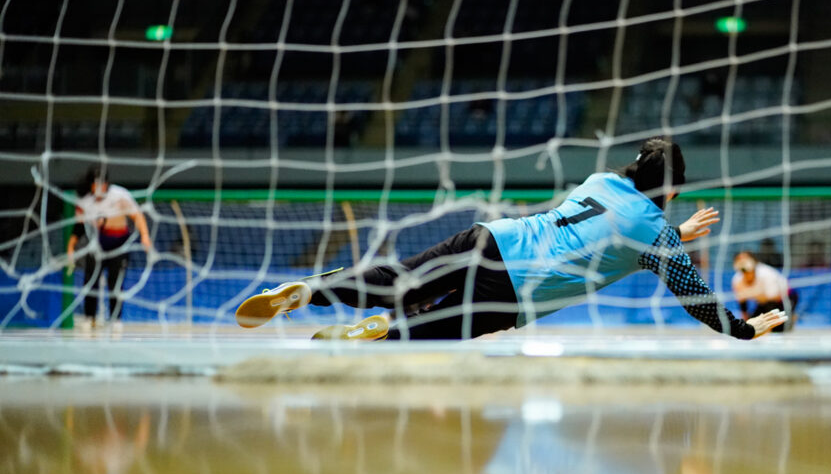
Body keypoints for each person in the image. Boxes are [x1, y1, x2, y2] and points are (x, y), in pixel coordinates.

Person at [235, 137, 787, 340]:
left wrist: (670, 232)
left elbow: (618, 236)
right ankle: (378, 335)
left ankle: (311, 290)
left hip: (494, 239)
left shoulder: (603, 181)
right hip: (520, 293)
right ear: (671, 192)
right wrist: (742, 330)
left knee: (399, 279)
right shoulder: (656, 234)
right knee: (435, 328)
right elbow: (693, 295)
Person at [66, 165, 152, 330]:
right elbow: (79, 227)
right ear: (91, 184)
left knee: (116, 282)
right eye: (97, 183)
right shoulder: (84, 201)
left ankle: (115, 319)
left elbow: (137, 215)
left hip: (119, 243)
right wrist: (71, 247)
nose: (101, 187)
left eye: (103, 183)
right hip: (97, 243)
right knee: (90, 281)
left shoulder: (120, 195)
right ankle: (89, 317)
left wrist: (145, 235)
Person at [731, 250, 798, 332]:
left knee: (777, 328)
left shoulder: (766, 273)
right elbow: (742, 302)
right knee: (752, 326)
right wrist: (745, 320)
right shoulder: (737, 279)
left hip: (785, 298)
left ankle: (790, 318)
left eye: (745, 259)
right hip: (764, 301)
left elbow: (773, 297)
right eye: (739, 259)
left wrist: (751, 294)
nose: (742, 262)